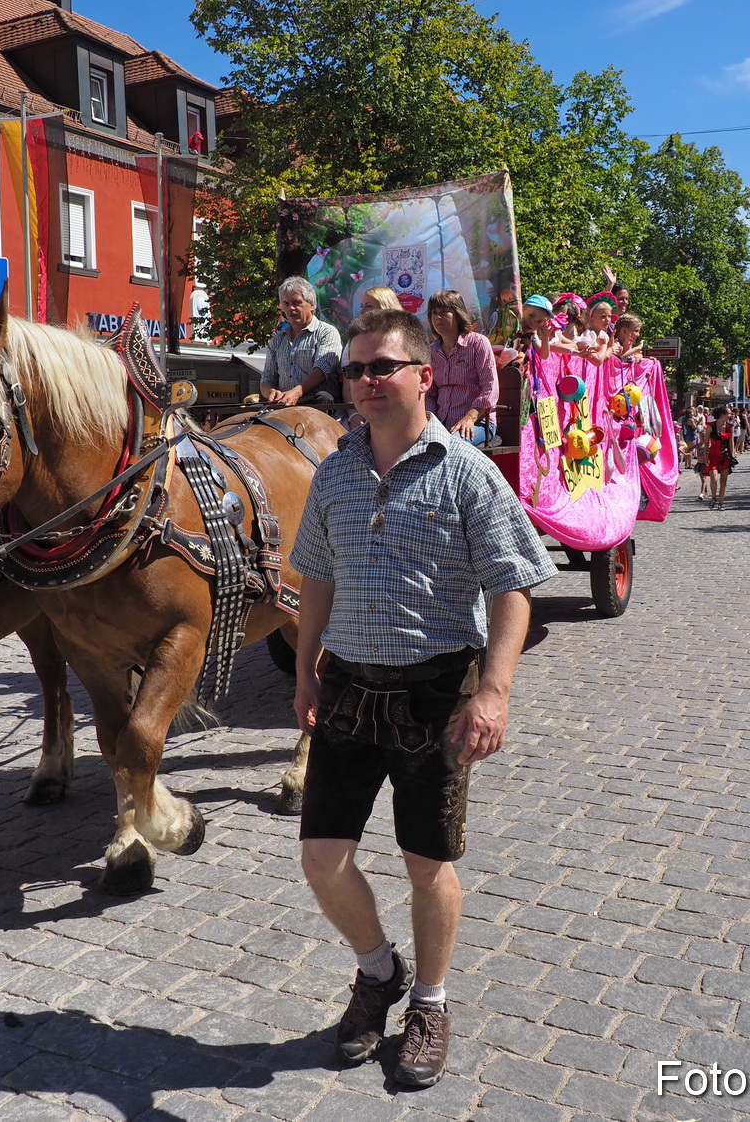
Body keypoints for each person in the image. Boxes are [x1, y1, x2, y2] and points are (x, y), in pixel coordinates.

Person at [290, 307, 555, 1088]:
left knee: (424, 863)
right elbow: (316, 579)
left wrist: (495, 691)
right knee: (321, 858)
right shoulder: (335, 470)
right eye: (356, 369)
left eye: (383, 367)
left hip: (437, 693)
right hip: (347, 692)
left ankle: (431, 1003)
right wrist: (305, 670)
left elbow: (513, 588)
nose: (367, 380)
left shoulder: (467, 471)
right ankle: (379, 970)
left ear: (422, 376)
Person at [424, 289, 499, 445]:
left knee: (452, 445)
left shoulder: (478, 343)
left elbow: (490, 387)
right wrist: (429, 420)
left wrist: (470, 417)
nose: (438, 317)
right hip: (442, 425)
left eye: (445, 312)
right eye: (434, 313)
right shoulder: (432, 352)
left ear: (458, 314)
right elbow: (429, 394)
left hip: (479, 423)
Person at [261, 276, 343, 407]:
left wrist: (297, 392)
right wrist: (271, 392)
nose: (291, 308)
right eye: (286, 304)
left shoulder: (327, 332)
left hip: (318, 405)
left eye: (296, 302)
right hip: (284, 405)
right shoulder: (277, 340)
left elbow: (322, 369)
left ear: (312, 305)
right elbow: (267, 377)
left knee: (324, 397)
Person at [706, 404, 735, 509]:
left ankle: (721, 503)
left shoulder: (730, 427)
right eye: (728, 413)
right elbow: (706, 441)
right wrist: (705, 455)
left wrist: (732, 455)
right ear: (722, 415)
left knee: (724, 480)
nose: (730, 415)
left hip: (725, 455)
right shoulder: (711, 426)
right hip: (713, 455)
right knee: (714, 478)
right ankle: (713, 497)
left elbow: (731, 443)